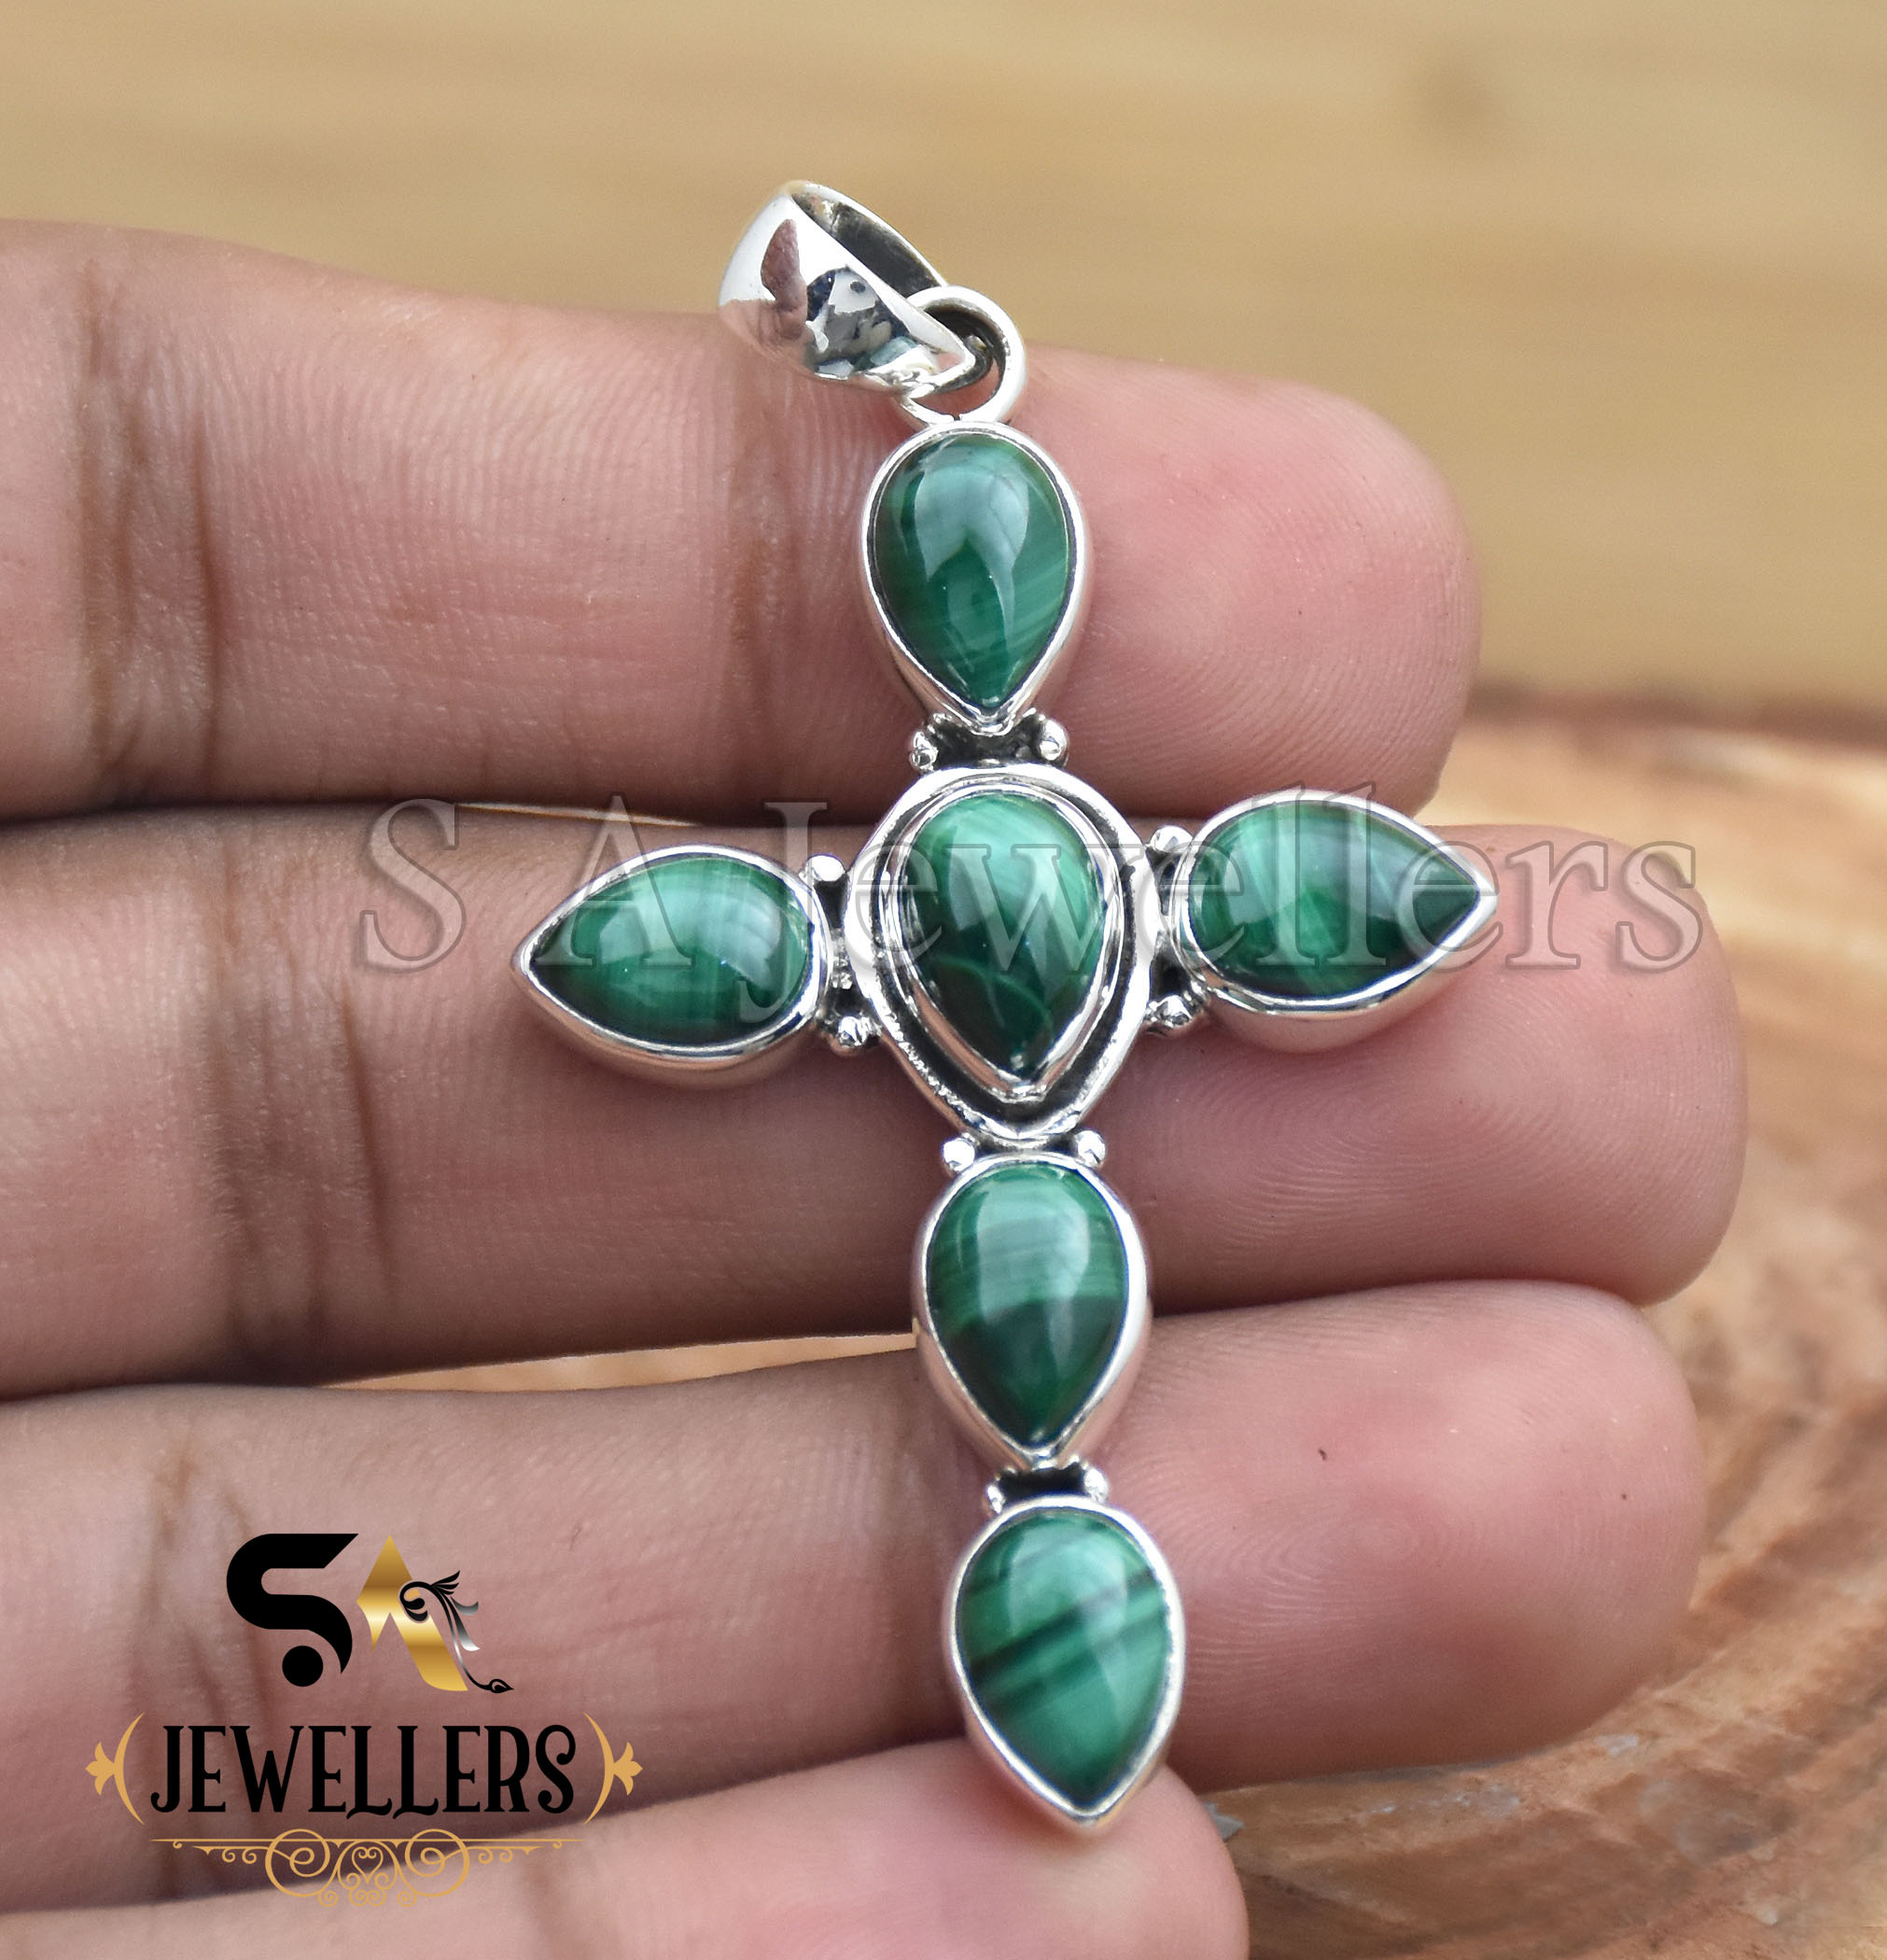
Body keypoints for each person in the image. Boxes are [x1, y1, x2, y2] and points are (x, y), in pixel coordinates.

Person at [0, 224, 1743, 1957]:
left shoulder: (985, 890)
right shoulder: (1100, 883)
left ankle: (1063, 1691)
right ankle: (1065, 1696)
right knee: (1050, 1461)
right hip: (1014, 1151)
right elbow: (601, 958)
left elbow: (1418, 911)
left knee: (1058, 1456)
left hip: (1011, 1153)